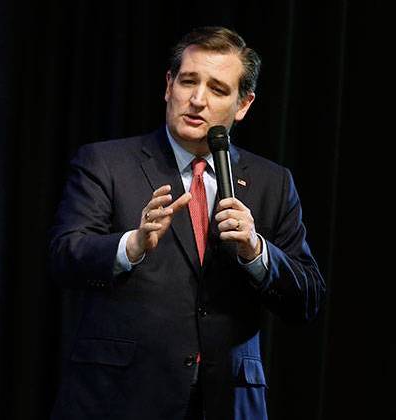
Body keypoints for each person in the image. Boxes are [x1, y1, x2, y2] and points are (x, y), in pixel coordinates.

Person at [49, 26, 325, 420]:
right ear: (168, 85)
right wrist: (132, 245)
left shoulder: (272, 182)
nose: (197, 100)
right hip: (120, 399)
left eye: (217, 89)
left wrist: (256, 251)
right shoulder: (106, 164)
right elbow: (63, 257)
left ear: (243, 105)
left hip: (227, 402)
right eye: (188, 81)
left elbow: (308, 298)